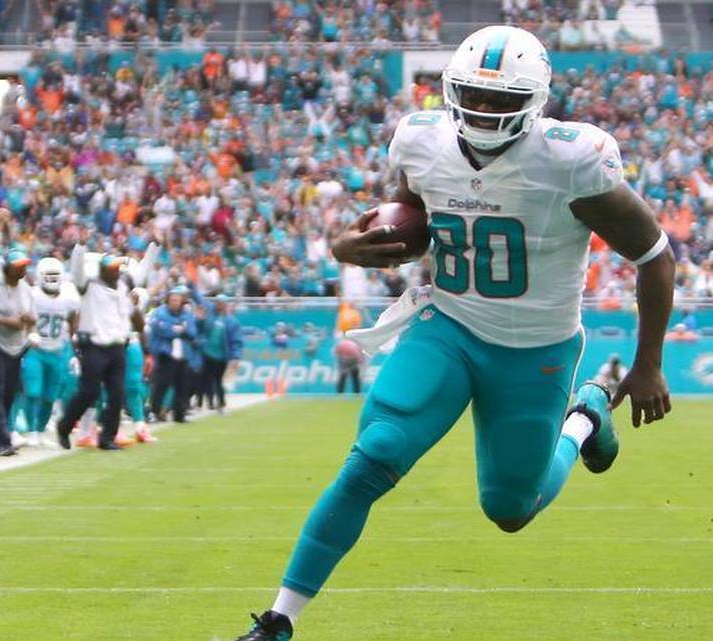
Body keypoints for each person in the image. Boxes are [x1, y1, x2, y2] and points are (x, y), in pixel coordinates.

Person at [229, 25, 675, 641]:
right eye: (474, 94)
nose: (484, 109)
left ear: (534, 101)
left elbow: (654, 255)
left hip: (536, 347)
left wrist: (648, 363)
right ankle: (279, 619)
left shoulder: (572, 160)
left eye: (501, 99)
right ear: (450, 89)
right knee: (373, 455)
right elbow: (411, 224)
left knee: (510, 510)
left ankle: (583, 419)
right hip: (451, 326)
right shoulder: (422, 140)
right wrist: (347, 247)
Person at [55, 247, 149, 451]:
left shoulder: (123, 288)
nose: (115, 272)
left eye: (117, 269)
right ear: (102, 271)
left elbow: (142, 274)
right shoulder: (89, 286)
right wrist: (80, 247)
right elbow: (77, 272)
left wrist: (154, 246)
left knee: (116, 393)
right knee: (89, 392)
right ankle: (64, 426)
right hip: (94, 347)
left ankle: (107, 438)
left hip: (117, 347)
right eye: (111, 269)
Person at [21, 257, 79, 447]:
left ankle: (40, 430)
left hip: (57, 351)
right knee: (33, 392)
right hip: (35, 350)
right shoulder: (32, 295)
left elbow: (74, 317)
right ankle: (32, 431)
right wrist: (28, 334)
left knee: (49, 397)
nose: (52, 279)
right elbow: (22, 316)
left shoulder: (68, 298)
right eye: (49, 275)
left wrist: (72, 341)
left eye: (55, 275)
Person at [0, 249, 35, 456]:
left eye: (24, 266)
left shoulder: (26, 289)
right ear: (6, 268)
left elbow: (33, 317)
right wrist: (6, 321)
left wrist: (28, 320)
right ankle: (3, 441)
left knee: (8, 394)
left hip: (16, 347)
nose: (23, 269)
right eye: (18, 266)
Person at [149, 286, 199, 423]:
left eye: (178, 299)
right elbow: (161, 329)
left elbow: (193, 333)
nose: (175, 302)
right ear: (168, 300)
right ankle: (154, 412)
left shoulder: (187, 314)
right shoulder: (160, 312)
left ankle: (179, 415)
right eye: (172, 299)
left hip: (183, 355)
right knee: (161, 385)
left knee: (182, 386)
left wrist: (179, 329)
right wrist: (179, 329)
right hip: (166, 355)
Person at [201, 294, 243, 413]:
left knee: (218, 381)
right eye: (218, 303)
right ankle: (210, 402)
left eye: (222, 303)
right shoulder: (210, 317)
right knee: (207, 380)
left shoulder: (231, 321)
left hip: (222, 356)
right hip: (207, 354)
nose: (220, 305)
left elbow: (236, 341)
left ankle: (221, 403)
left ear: (226, 305)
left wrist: (235, 356)